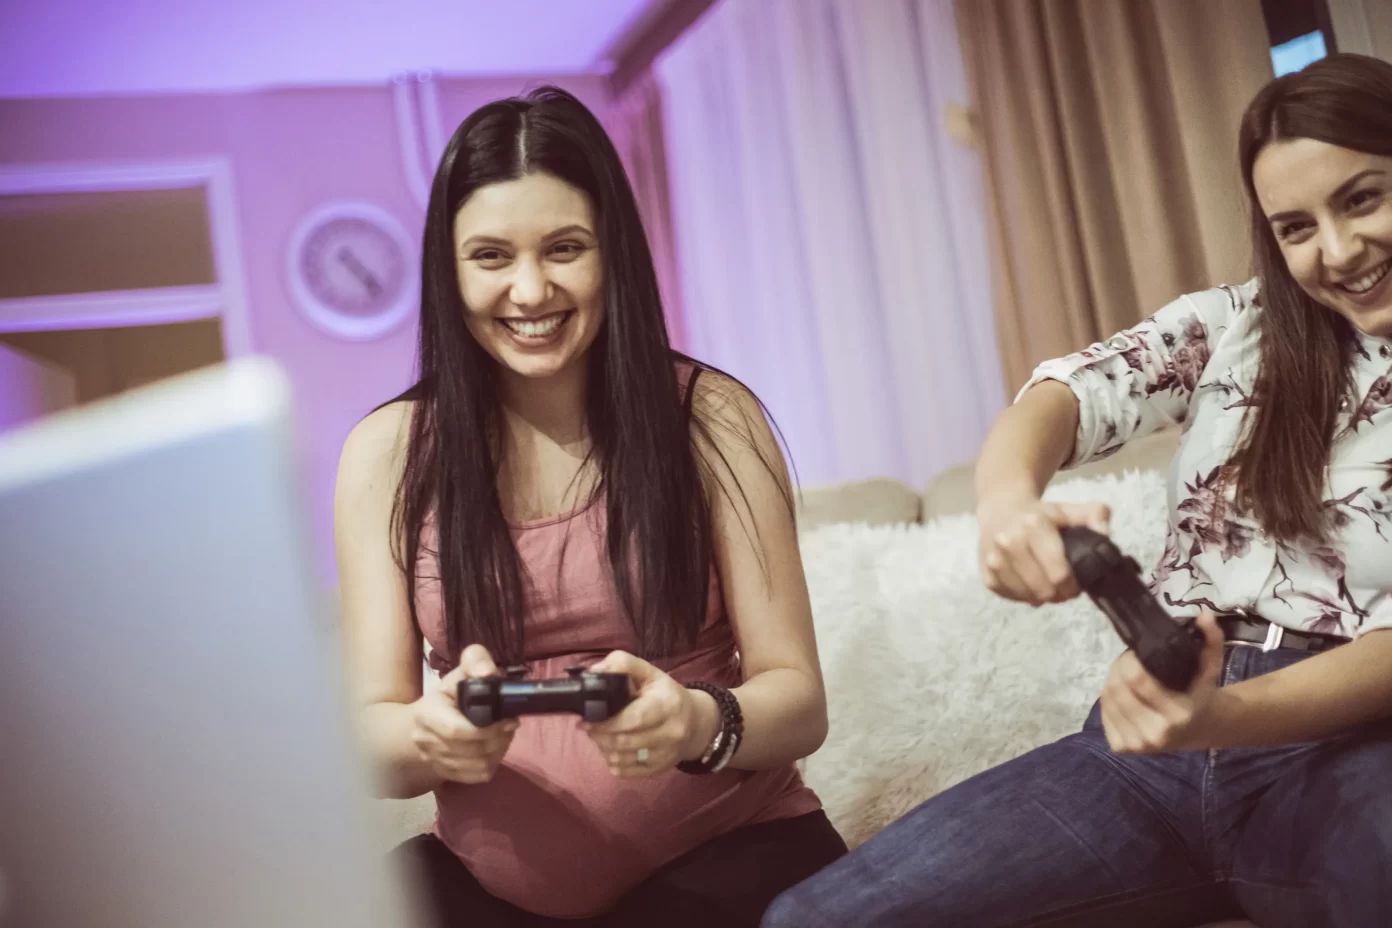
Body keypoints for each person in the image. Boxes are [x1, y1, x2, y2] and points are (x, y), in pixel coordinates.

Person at [763, 53, 1392, 928]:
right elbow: (1065, 394)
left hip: (1346, 747)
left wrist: (1221, 717)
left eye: (1363, 199)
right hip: (1147, 757)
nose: (1338, 250)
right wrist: (1005, 506)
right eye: (1296, 227)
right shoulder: (1237, 327)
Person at [333, 86, 846, 927]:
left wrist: (694, 722)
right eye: (491, 256)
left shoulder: (711, 417)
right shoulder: (387, 454)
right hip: (486, 896)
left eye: (565, 248)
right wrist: (430, 735)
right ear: (448, 272)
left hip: (733, 861)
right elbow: (373, 745)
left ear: (615, 254)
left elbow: (799, 703)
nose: (530, 289)